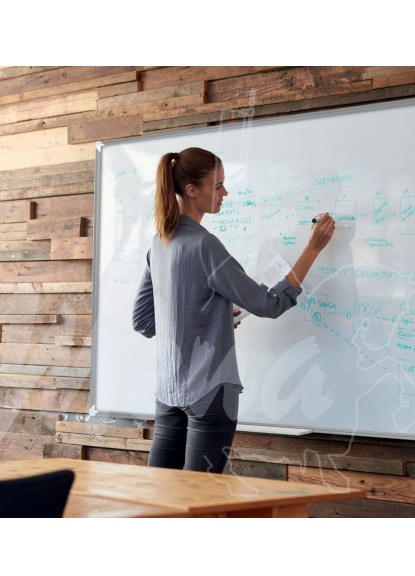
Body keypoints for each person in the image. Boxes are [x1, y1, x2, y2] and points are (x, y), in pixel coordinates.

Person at [132, 147, 335, 473]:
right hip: (210, 393)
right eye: (218, 186)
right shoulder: (205, 245)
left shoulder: (160, 242)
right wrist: (312, 249)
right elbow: (269, 304)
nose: (225, 193)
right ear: (191, 190)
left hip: (168, 392)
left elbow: (143, 321)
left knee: (162, 494)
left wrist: (209, 315)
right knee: (201, 495)